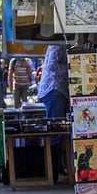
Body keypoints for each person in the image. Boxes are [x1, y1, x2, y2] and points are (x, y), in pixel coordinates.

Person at [37, 45, 70, 181]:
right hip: (55, 89)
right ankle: (52, 172)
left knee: (56, 130)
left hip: (54, 89)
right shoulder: (58, 44)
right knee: (56, 130)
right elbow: (56, 64)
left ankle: (55, 169)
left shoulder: (55, 44)